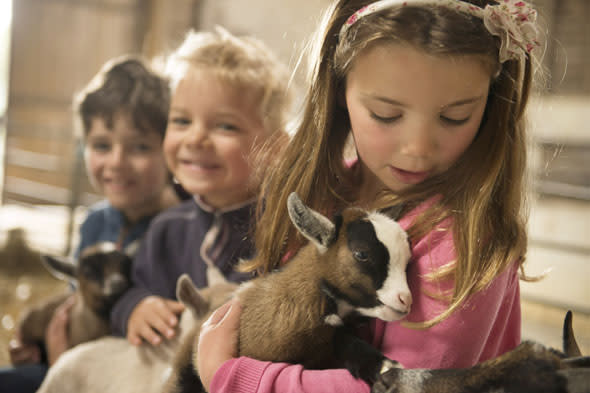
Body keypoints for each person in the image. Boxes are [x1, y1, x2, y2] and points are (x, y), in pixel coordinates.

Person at [196, 0, 542, 392]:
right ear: (340, 90)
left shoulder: (461, 241)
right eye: (385, 113)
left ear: (491, 103)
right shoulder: (322, 197)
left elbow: (408, 384)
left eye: (454, 117)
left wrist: (238, 379)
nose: (418, 148)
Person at [0, 55, 179, 393]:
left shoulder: (179, 228)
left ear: (170, 148)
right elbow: (75, 301)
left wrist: (65, 359)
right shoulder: (96, 223)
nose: (117, 162)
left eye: (140, 147)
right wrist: (39, 347)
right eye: (101, 145)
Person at [109, 28, 291, 348]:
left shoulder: (284, 230)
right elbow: (134, 287)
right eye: (181, 121)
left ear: (275, 146)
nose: (195, 139)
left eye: (225, 126)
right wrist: (136, 308)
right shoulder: (168, 229)